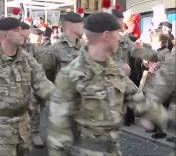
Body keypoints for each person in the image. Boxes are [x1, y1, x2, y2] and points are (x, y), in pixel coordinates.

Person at [48, 13, 168, 156]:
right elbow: (58, 134)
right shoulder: (70, 75)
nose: (120, 37)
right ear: (106, 36)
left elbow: (138, 99)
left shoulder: (113, 71)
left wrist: (163, 117)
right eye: (117, 33)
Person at [0, 17, 56, 156]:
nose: (23, 34)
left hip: (23, 126)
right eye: (17, 31)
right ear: (6, 35)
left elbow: (42, 82)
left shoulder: (26, 58)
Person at [39, 12, 84, 82]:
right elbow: (43, 78)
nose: (83, 26)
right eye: (81, 23)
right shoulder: (54, 49)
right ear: (70, 25)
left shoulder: (84, 48)